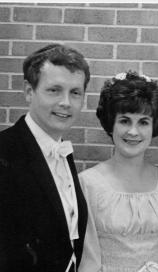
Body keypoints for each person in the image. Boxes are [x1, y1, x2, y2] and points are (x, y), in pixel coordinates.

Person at [78, 71, 158, 272]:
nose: (133, 132)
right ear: (111, 124)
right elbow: (85, 257)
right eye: (125, 121)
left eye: (143, 122)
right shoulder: (87, 184)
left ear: (154, 126)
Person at [0, 44, 90, 271]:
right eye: (54, 90)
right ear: (29, 91)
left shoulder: (63, 153)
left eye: (75, 93)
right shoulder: (5, 150)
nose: (66, 103)